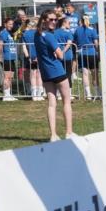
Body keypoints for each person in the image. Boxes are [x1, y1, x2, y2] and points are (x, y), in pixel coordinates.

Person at [35, 10, 74, 142]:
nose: (53, 22)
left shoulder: (37, 35)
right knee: (66, 101)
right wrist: (60, 50)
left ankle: (53, 135)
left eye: (55, 20)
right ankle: (69, 132)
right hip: (57, 71)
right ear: (44, 20)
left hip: (45, 72)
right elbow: (60, 55)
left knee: (52, 104)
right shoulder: (49, 36)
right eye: (51, 19)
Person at [74, 15, 99, 100]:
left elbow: (75, 41)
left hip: (81, 53)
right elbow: (96, 43)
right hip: (92, 53)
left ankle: (88, 94)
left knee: (85, 74)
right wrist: (97, 50)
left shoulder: (77, 30)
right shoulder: (92, 30)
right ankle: (96, 92)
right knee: (94, 73)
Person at [20, 18, 42, 101]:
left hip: (30, 56)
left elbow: (23, 46)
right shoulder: (38, 33)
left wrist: (28, 56)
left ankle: (34, 94)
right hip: (38, 55)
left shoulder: (25, 34)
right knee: (39, 74)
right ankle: (39, 93)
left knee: (32, 75)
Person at [0, 18, 18, 101]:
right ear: (5, 24)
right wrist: (0, 56)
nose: (11, 26)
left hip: (12, 57)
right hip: (6, 57)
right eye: (9, 24)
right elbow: (0, 45)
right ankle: (6, 95)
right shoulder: (3, 33)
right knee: (7, 76)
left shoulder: (10, 33)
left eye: (12, 24)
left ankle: (8, 94)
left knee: (11, 76)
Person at [55, 17, 76, 98]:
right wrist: (63, 51)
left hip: (57, 55)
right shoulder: (68, 32)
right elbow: (69, 43)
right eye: (69, 23)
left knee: (59, 75)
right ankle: (68, 94)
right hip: (66, 56)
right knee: (68, 75)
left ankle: (59, 93)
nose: (70, 25)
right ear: (64, 23)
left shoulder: (55, 32)